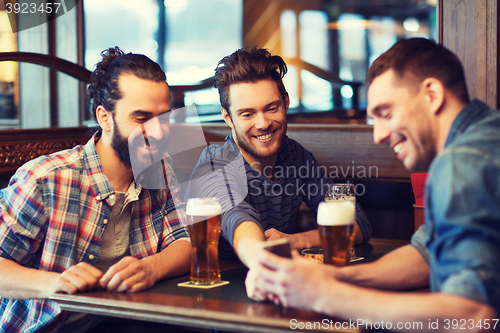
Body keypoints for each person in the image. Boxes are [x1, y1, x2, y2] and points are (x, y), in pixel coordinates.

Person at [250, 37, 500, 329]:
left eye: (386, 113)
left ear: (431, 94)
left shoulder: (461, 162)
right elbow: (427, 253)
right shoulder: (487, 134)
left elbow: (472, 315)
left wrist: (322, 295)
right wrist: (334, 277)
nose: (379, 135)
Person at [0, 47, 192, 332]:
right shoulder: (45, 179)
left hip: (129, 320)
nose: (158, 132)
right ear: (104, 117)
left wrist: (152, 268)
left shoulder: (160, 169)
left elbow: (185, 242)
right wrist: (55, 282)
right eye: (141, 118)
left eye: (162, 118)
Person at [185, 47, 371, 290]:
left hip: (276, 283)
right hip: (216, 292)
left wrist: (296, 241)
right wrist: (260, 254)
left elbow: (359, 224)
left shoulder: (296, 157)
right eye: (247, 114)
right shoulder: (215, 164)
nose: (263, 124)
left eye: (271, 108)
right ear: (228, 117)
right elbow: (237, 218)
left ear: (286, 102)